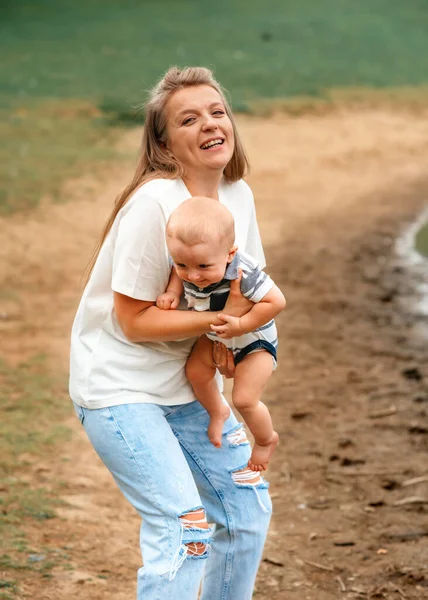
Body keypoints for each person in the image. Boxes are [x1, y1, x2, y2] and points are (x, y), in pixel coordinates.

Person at [69, 66, 273, 600]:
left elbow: (243, 290)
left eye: (217, 111)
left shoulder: (238, 195)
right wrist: (218, 327)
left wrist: (233, 342)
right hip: (120, 389)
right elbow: (135, 322)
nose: (210, 124)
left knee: (246, 508)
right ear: (164, 142)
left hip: (186, 386)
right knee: (184, 528)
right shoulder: (152, 204)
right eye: (189, 118)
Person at [157, 197, 284, 471]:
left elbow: (276, 301)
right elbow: (178, 272)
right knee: (196, 372)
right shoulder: (189, 263)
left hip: (254, 341)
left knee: (245, 399)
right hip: (216, 332)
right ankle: (217, 410)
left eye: (204, 267)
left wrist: (242, 325)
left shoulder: (243, 271)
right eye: (182, 265)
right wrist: (172, 292)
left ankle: (265, 439)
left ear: (229, 254)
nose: (194, 275)